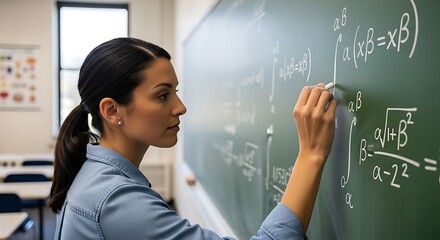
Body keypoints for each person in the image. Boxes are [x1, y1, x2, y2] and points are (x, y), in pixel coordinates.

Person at [49, 37, 337, 239]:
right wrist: (311, 155)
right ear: (112, 110)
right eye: (162, 95)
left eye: (175, 91)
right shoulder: (115, 202)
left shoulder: (95, 176)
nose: (180, 107)